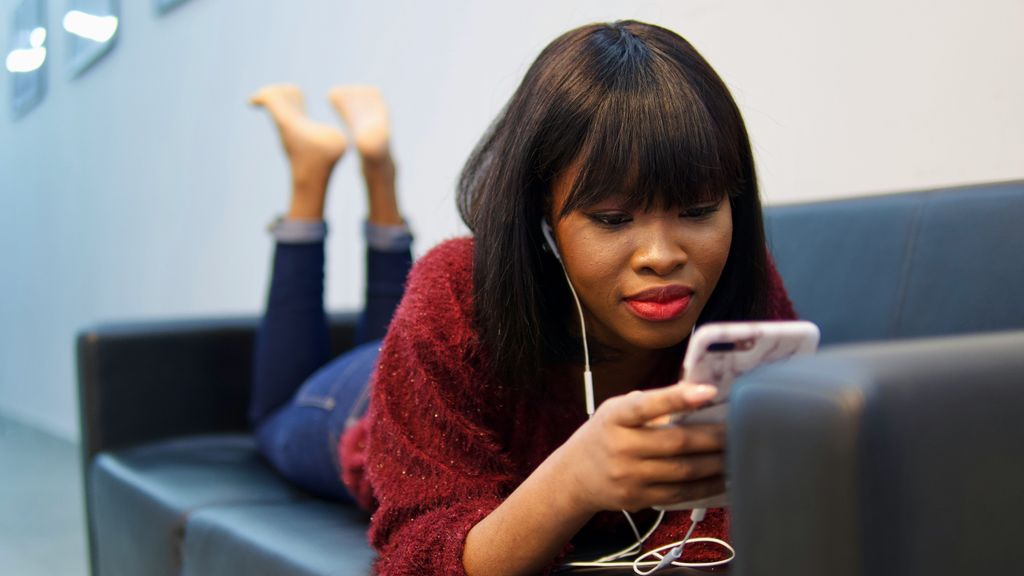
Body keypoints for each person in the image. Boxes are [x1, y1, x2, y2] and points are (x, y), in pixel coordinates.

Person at [251, 19, 797, 576]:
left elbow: (731, 519)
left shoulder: (741, 285)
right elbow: (417, 553)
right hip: (360, 406)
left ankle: (377, 173)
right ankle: (312, 182)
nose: (661, 255)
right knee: (270, 417)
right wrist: (573, 480)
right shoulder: (454, 294)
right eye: (612, 219)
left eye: (699, 211)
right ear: (542, 214)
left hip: (420, 356)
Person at [247, 83, 412, 502]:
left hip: (400, 393)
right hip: (392, 409)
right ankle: (312, 176)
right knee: (386, 356)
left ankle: (377, 174)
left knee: (390, 354)